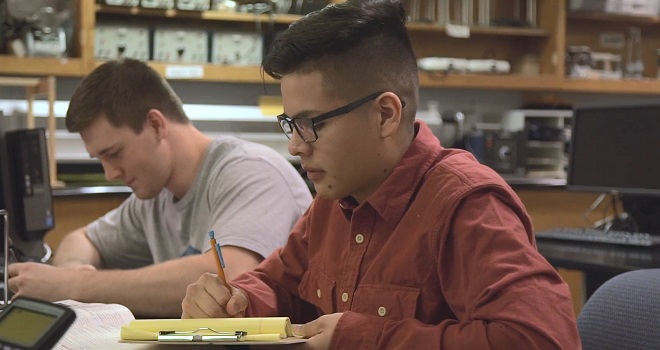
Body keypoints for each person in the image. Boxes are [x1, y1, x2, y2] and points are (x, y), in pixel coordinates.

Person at [181, 1, 581, 349]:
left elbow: (545, 341)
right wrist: (234, 301)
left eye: (311, 123)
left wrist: (365, 340)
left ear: (385, 115)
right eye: (291, 124)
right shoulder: (332, 200)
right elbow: (279, 284)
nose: (296, 146)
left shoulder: (466, 206)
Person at [8, 59, 313, 317]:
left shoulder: (251, 172)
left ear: (155, 125)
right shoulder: (154, 198)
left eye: (114, 154)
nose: (110, 173)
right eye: (99, 158)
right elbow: (83, 238)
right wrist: (73, 270)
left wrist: (74, 287)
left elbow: (231, 277)